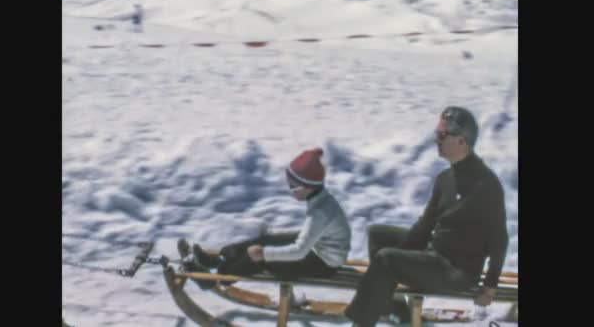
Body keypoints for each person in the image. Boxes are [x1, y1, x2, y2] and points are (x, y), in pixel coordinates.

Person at [344, 106, 509, 326]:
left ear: (461, 140)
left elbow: (500, 239)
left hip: (456, 272)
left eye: (442, 135)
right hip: (435, 255)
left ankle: (362, 321)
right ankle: (394, 308)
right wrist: (401, 254)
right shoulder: (445, 178)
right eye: (436, 133)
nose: (436, 140)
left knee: (385, 259)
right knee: (378, 235)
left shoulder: (486, 185)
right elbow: (424, 227)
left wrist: (489, 286)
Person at [180, 147, 352, 290]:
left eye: (293, 186)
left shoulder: (320, 212)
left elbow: (299, 251)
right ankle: (218, 260)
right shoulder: (321, 200)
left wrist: (264, 253)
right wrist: (266, 245)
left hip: (324, 264)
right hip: (318, 248)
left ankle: (217, 279)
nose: (290, 189)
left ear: (307, 186)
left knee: (260, 258)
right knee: (265, 239)